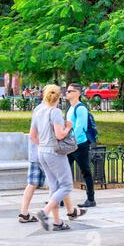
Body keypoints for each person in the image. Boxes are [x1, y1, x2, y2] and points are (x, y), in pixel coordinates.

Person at [30, 85, 87, 231]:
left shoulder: (39, 111)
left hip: (41, 151)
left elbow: (32, 136)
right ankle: (44, 212)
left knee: (54, 186)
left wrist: (42, 145)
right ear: (59, 97)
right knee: (66, 185)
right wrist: (68, 126)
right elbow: (60, 135)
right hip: (54, 153)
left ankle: (57, 222)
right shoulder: (54, 112)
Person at [65, 83, 96, 208]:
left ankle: (91, 199)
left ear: (77, 93)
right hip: (70, 145)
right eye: (67, 91)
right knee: (65, 171)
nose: (67, 93)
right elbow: (68, 126)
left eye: (70, 91)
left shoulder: (81, 108)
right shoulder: (70, 108)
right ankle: (61, 198)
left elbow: (79, 127)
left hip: (80, 145)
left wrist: (68, 139)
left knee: (85, 171)